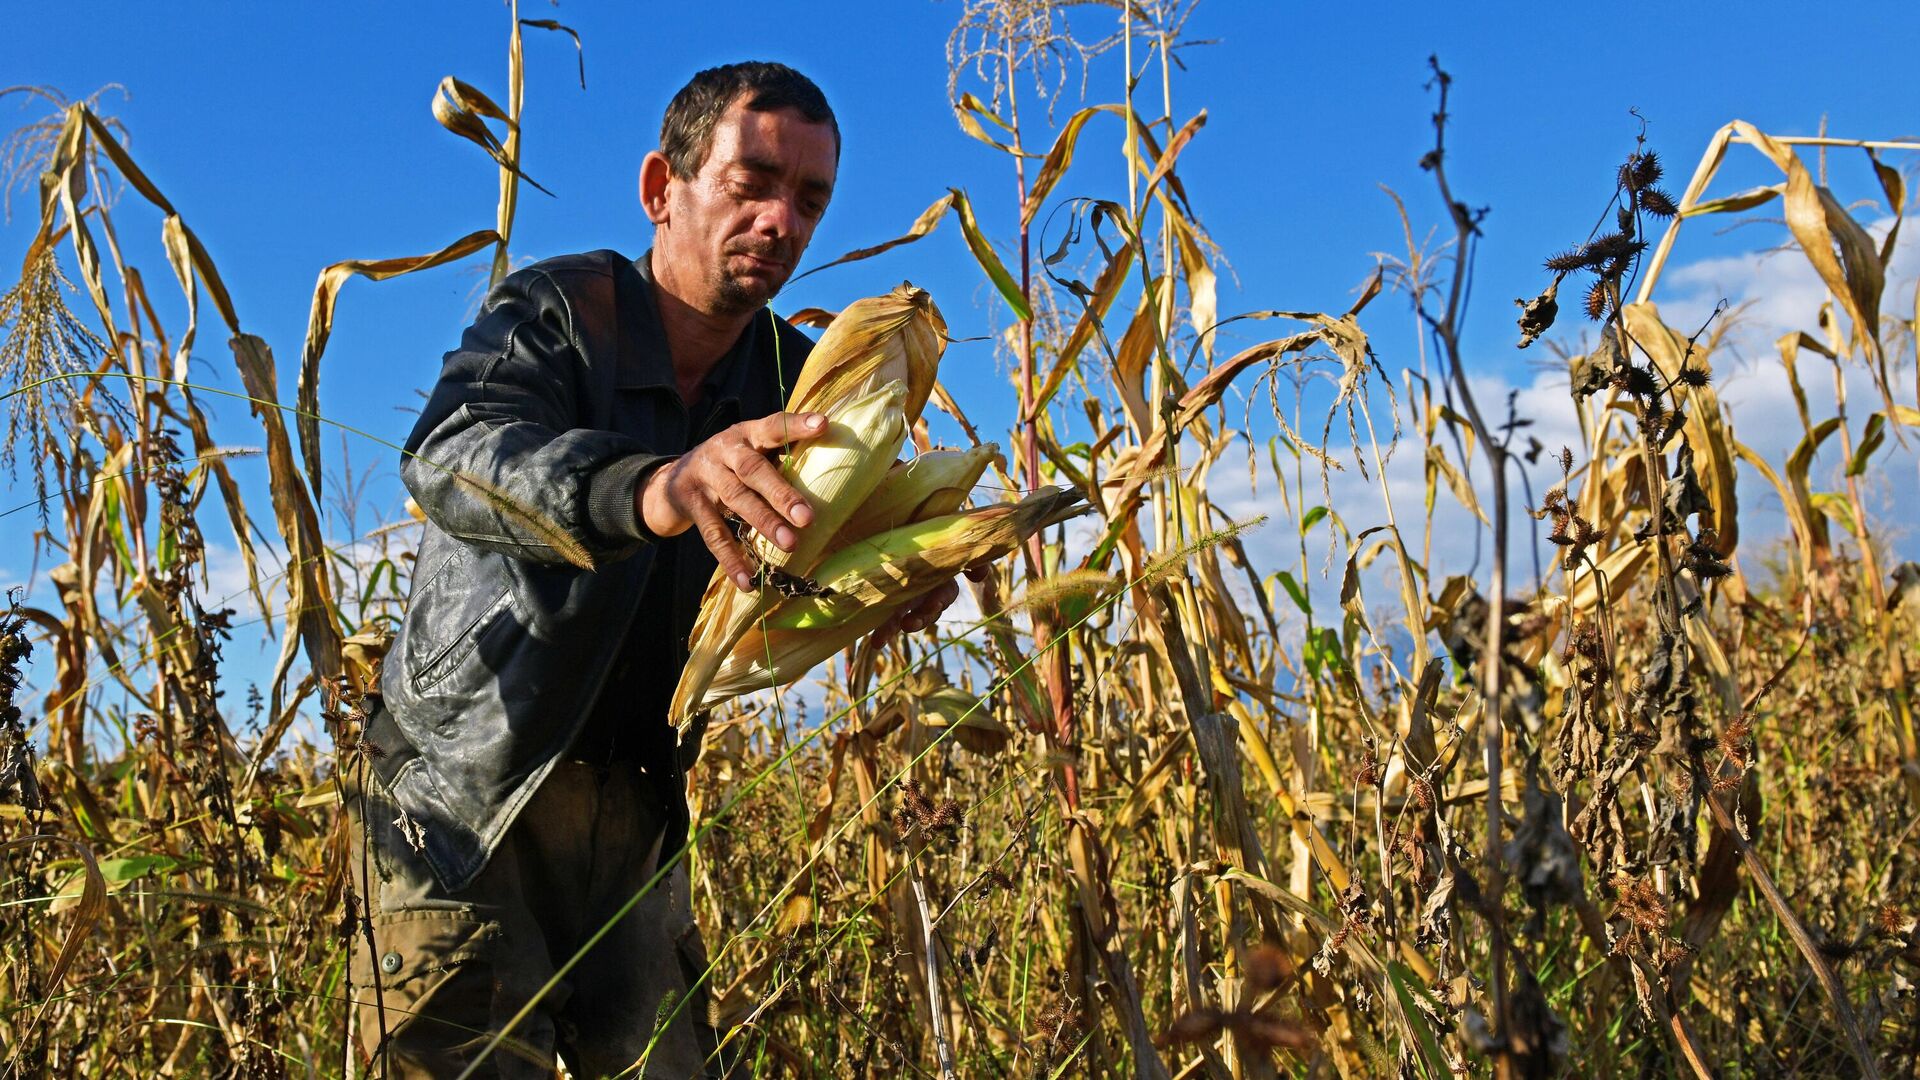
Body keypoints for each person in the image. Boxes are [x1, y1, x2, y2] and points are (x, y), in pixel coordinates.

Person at [349, 61, 961, 1079]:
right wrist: (653, 487)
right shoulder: (556, 313)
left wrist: (879, 580)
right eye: (751, 182)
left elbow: (786, 563)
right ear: (660, 189)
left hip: (637, 819)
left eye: (809, 200)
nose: (781, 220)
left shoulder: (790, 376)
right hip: (464, 802)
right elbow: (452, 456)